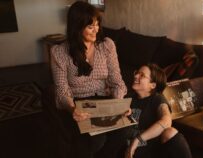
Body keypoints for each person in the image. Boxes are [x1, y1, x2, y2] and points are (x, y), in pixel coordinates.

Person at [50, 1, 127, 158]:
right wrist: (73, 109)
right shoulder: (59, 52)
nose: (96, 30)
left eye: (97, 25)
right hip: (79, 104)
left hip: (105, 101)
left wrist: (118, 104)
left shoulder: (107, 46)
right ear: (77, 27)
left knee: (124, 130)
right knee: (95, 140)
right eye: (90, 27)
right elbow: (62, 90)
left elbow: (117, 81)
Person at [125, 64, 192, 158]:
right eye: (136, 73)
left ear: (152, 85)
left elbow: (166, 121)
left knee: (170, 132)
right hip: (130, 151)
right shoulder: (128, 97)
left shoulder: (157, 99)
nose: (136, 76)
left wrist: (138, 139)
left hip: (152, 151)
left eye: (142, 75)